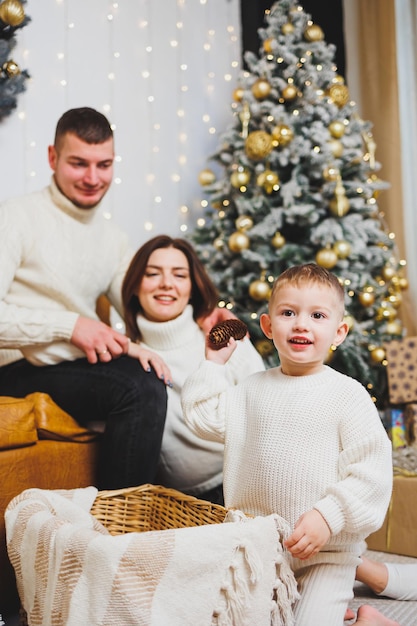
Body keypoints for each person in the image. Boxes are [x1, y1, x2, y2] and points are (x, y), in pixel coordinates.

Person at [182, 263, 395, 626]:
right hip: (257, 550)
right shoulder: (249, 390)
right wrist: (214, 364)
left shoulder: (348, 395)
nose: (301, 324)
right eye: (288, 313)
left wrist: (328, 516)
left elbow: (371, 473)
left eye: (317, 315)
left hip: (326, 555)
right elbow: (202, 416)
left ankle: (367, 620)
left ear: (338, 331)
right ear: (268, 326)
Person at [0, 106, 173, 490]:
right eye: (79, 164)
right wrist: (72, 325)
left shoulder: (113, 239)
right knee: (136, 389)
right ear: (52, 157)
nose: (93, 178)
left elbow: (144, 302)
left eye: (104, 165)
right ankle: (115, 534)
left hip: (69, 364)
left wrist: (203, 317)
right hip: (14, 366)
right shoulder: (16, 216)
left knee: (152, 375)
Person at [121, 234, 265, 504]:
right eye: (152, 274)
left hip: (249, 481)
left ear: (192, 286)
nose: (166, 284)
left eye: (179, 275)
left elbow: (266, 409)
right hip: (184, 503)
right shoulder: (126, 362)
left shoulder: (222, 339)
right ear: (134, 286)